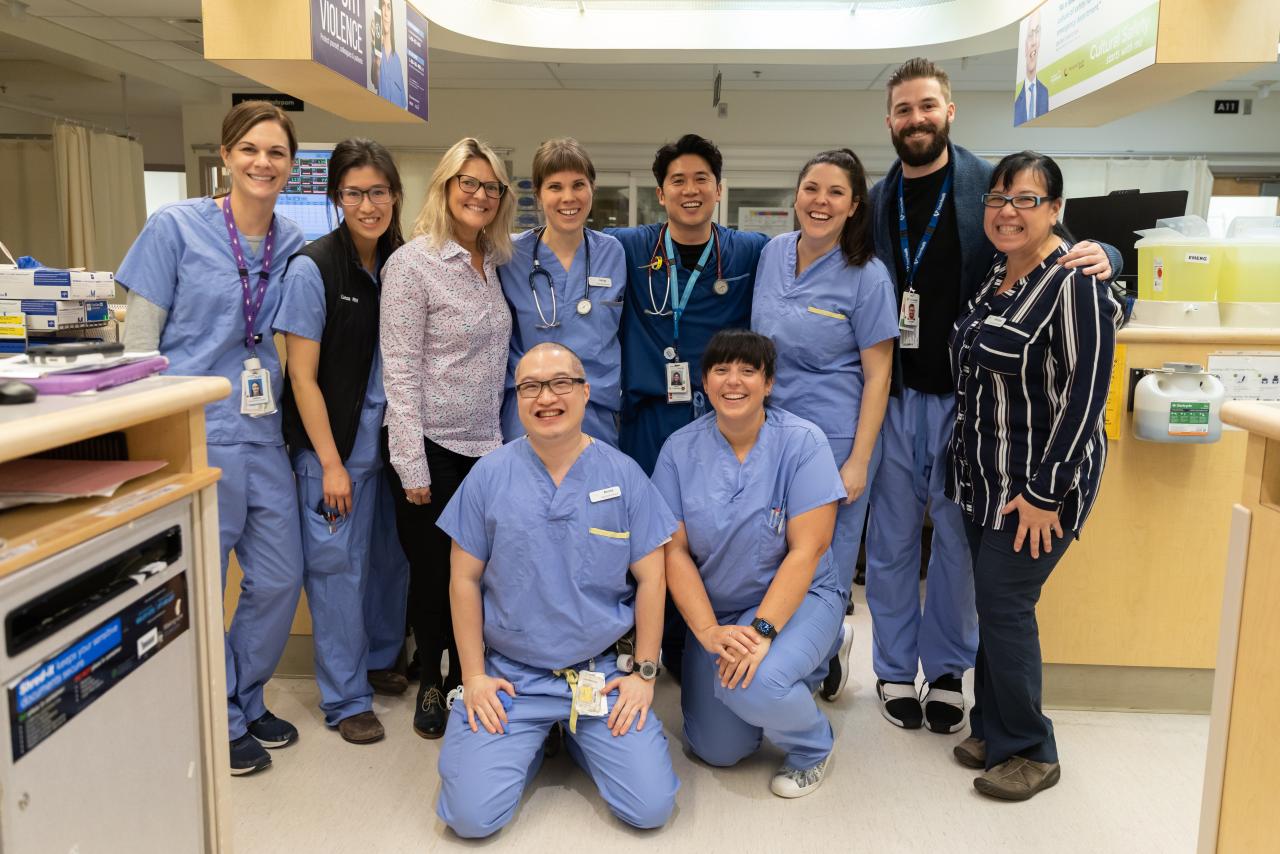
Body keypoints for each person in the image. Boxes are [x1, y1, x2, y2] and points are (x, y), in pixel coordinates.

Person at [862, 58, 1119, 735]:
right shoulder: (878, 197)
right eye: (903, 110)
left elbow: (1065, 248)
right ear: (889, 122)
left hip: (966, 406)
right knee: (888, 543)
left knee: (953, 544)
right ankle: (892, 667)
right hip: (892, 397)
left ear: (949, 112)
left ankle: (946, 670)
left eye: (927, 106)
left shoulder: (988, 186)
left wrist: (1111, 255)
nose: (915, 119)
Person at [118, 100, 306, 775]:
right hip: (193, 435)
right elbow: (138, 344)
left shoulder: (289, 242)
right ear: (226, 156)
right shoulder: (175, 228)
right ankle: (220, 715)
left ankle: (242, 695)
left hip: (263, 435)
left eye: (276, 152)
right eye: (250, 149)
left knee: (282, 577)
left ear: (290, 165)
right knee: (200, 585)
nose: (263, 162)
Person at [435, 342, 679, 838]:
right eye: (530, 387)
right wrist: (474, 676)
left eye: (560, 383)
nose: (546, 397)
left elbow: (653, 579)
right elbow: (463, 579)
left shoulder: (623, 475)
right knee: (470, 819)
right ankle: (535, 737)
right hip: (512, 678)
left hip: (602, 673)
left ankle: (574, 737)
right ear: (517, 399)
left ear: (586, 392)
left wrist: (645, 674)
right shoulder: (489, 475)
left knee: (651, 808)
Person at [947, 151, 1122, 800]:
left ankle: (1031, 749)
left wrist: (1048, 493)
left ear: (1056, 210)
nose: (1008, 211)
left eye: (1026, 199)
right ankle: (993, 726)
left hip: (1039, 488)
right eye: (998, 198)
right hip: (982, 479)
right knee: (994, 609)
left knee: (1006, 607)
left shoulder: (1076, 280)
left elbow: (1086, 397)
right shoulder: (998, 272)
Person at [653, 329, 847, 799]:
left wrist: (762, 633)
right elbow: (672, 552)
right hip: (718, 616)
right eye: (721, 369)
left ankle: (814, 745)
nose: (733, 381)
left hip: (801, 600)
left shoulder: (803, 443)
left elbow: (808, 550)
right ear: (704, 381)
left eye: (748, 370)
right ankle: (803, 666)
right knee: (717, 748)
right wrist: (707, 633)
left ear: (769, 382)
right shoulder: (678, 451)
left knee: (753, 686)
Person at [607, 134, 770, 678]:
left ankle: (696, 637)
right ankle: (653, 639)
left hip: (718, 418)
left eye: (701, 178)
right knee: (647, 530)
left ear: (718, 189)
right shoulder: (631, 247)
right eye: (678, 180)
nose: (690, 189)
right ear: (660, 193)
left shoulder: (747, 251)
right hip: (651, 418)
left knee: (704, 531)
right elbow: (562, 236)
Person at [275, 138, 410, 745]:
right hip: (333, 450)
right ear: (336, 198)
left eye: (378, 191)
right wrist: (329, 463)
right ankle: (344, 697)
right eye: (354, 192)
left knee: (388, 563)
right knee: (337, 571)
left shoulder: (402, 262)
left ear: (395, 196)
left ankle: (381, 657)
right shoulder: (313, 268)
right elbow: (301, 377)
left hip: (389, 447)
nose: (368, 204)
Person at [751, 149, 898, 701]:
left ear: (854, 205)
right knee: (774, 555)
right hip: (771, 437)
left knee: (824, 564)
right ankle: (813, 647)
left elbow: (879, 374)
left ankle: (809, 671)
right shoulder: (771, 254)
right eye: (811, 188)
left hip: (836, 439)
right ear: (796, 195)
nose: (821, 201)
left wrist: (859, 459)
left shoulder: (867, 276)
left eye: (836, 192)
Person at [381, 137, 514, 739]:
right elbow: (400, 370)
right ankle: (431, 680)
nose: (480, 195)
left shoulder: (495, 264)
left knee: (478, 571)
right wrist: (411, 464)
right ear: (445, 188)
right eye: (469, 183)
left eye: (491, 187)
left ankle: (467, 673)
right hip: (430, 448)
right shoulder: (412, 265)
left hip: (487, 447)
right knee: (433, 574)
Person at [498, 138, 627, 445]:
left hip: (593, 409)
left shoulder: (613, 253)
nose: (568, 197)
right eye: (555, 187)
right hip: (531, 412)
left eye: (578, 185)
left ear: (592, 189)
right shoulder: (510, 256)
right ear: (539, 196)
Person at [1014, 9, 1049, 126]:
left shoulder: (1046, 93)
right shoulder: (1016, 103)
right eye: (1030, 35)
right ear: (1024, 46)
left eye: (1037, 33)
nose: (1033, 41)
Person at [374, 0, 407, 109]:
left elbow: (403, 105)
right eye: (383, 6)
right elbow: (375, 82)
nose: (386, 14)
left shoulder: (397, 61)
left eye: (389, 7)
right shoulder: (375, 52)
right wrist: (377, 63)